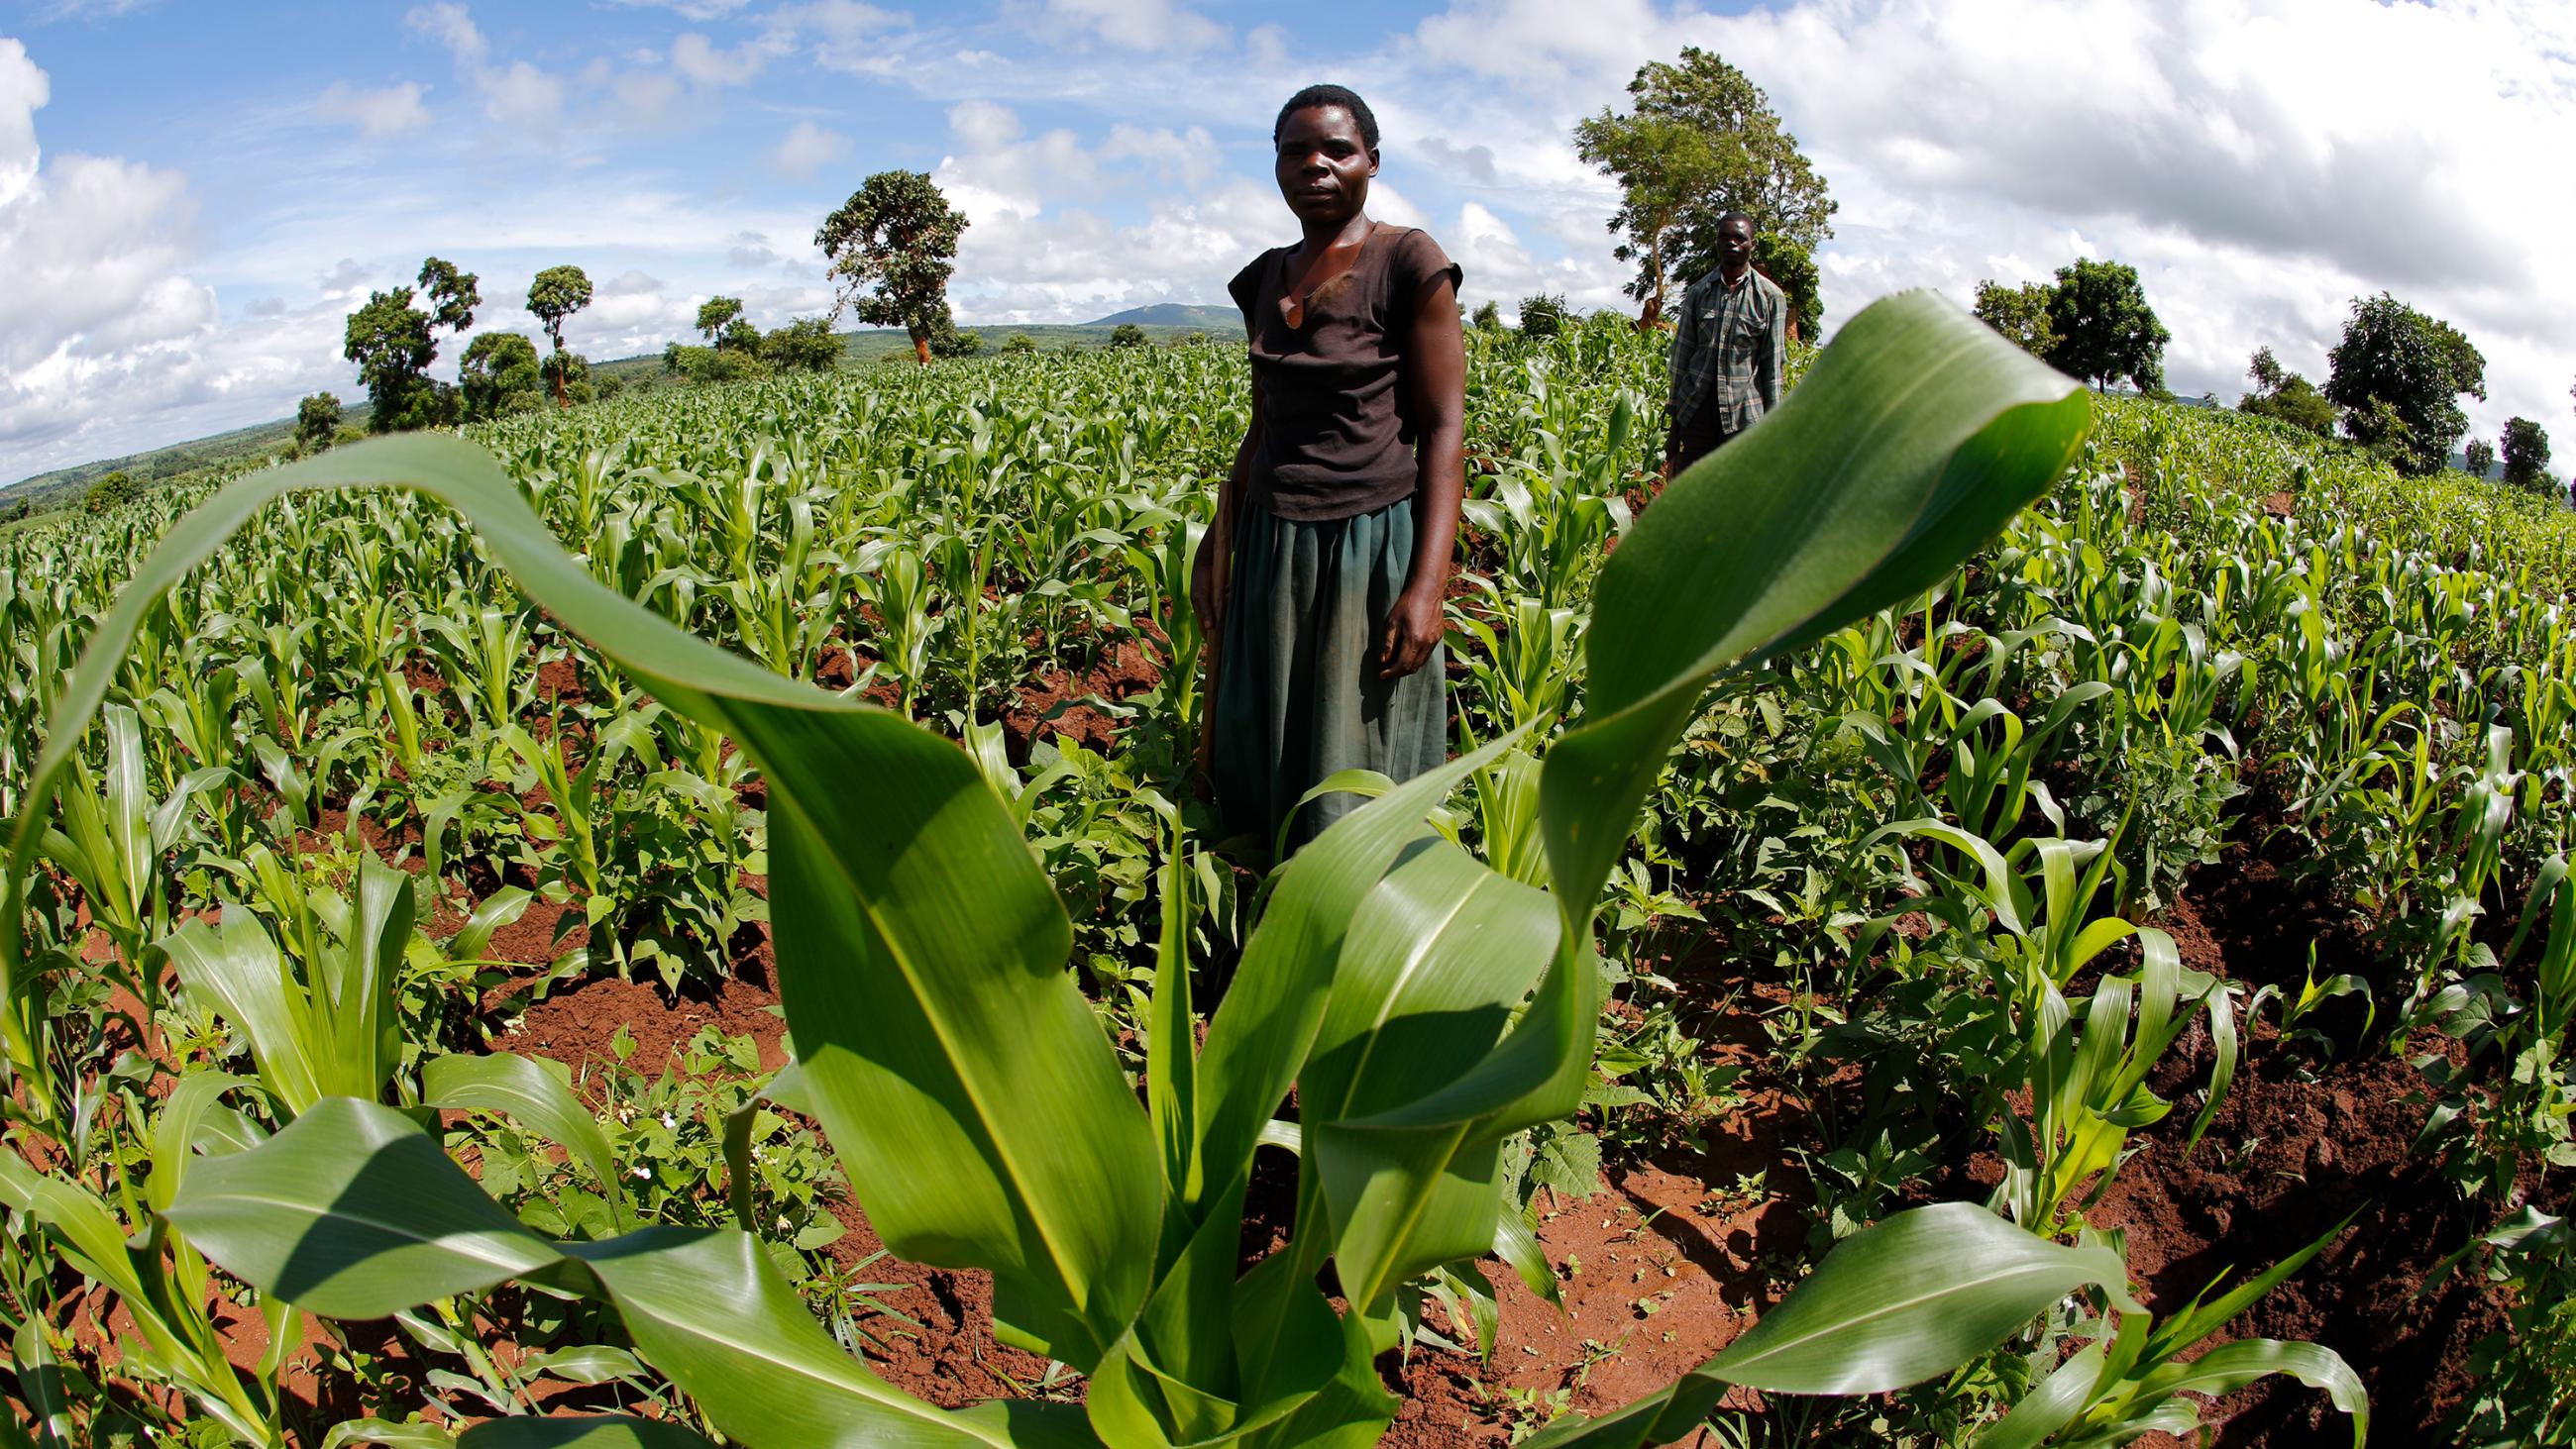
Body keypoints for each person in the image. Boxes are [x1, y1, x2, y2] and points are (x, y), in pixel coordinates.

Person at [1191, 83, 1465, 857]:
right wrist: (1221, 540)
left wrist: (1426, 587)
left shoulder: (1410, 263)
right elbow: (1263, 426)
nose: (1315, 164)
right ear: (1276, 165)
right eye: (1294, 150)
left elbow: (1445, 431)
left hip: (1367, 544)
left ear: (1371, 162)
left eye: (1337, 149)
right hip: (1274, 539)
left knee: (1353, 749)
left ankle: (1360, 912)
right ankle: (1263, 903)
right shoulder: (1265, 278)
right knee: (1268, 731)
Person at [1664, 212, 1787, 477]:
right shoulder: (1699, 292)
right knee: (1693, 488)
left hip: (1742, 415)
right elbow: (1682, 357)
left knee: (1734, 488)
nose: (1732, 243)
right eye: (1725, 237)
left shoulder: (1769, 297)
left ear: (1751, 245)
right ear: (1717, 243)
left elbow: (1773, 368)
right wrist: (1674, 429)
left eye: (1739, 238)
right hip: (1696, 410)